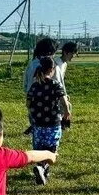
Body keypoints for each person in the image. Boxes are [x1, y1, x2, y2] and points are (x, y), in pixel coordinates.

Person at [27, 56, 71, 185]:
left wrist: (34, 112)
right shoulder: (55, 85)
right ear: (52, 69)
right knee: (52, 148)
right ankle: (43, 168)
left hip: (38, 122)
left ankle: (42, 169)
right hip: (53, 122)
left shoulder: (35, 85)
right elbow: (63, 101)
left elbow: (28, 103)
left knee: (39, 148)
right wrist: (67, 112)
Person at [23, 37, 59, 135]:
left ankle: (35, 132)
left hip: (33, 102)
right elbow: (58, 83)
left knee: (36, 124)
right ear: (51, 52)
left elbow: (25, 84)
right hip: (50, 106)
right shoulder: (52, 65)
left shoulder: (31, 64)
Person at [55, 42, 78, 129]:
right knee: (65, 106)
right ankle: (62, 125)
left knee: (68, 105)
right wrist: (62, 94)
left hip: (59, 90)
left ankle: (64, 125)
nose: (73, 56)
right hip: (54, 91)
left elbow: (62, 80)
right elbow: (57, 81)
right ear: (65, 52)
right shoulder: (57, 63)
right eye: (72, 54)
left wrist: (65, 93)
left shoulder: (64, 64)